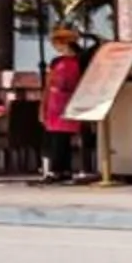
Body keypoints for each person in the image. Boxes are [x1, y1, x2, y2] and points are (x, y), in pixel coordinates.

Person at [39, 27, 85, 181]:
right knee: (54, 137)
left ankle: (62, 169)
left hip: (70, 101)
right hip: (54, 103)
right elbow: (48, 84)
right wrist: (43, 106)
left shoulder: (80, 61)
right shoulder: (56, 61)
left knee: (63, 139)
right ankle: (57, 169)